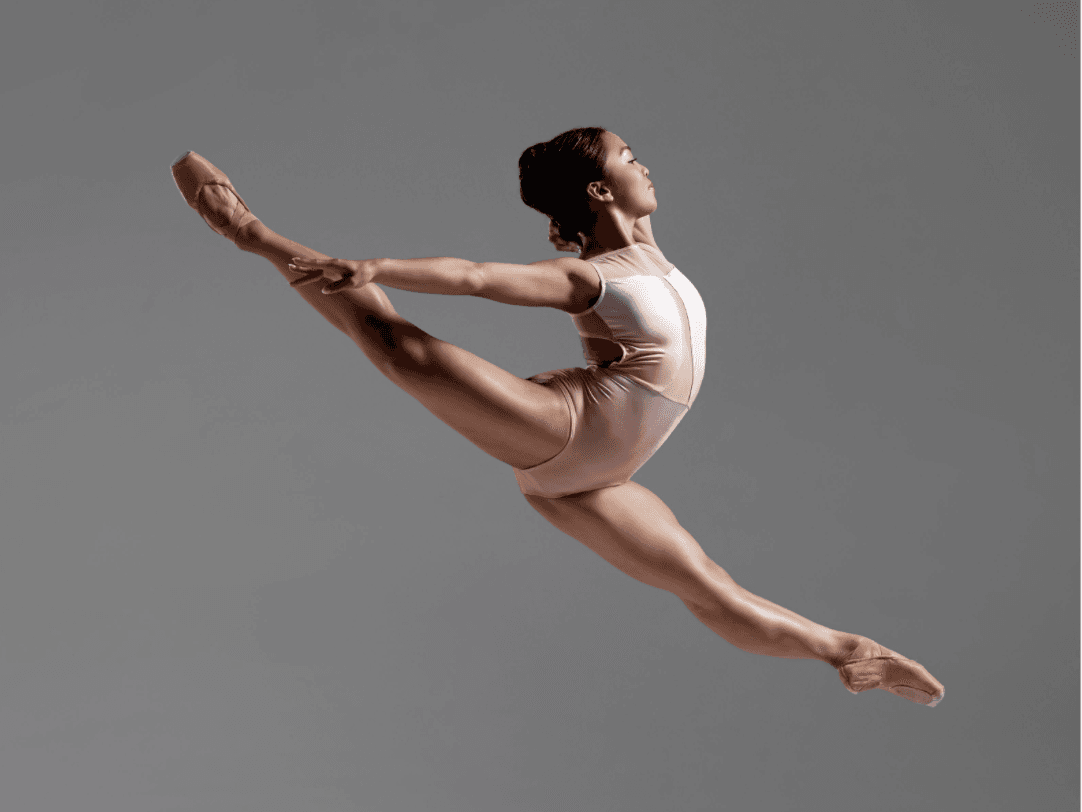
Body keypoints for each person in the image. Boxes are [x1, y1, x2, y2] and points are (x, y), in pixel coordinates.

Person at [169, 127, 945, 706]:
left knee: (709, 589)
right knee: (399, 347)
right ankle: (252, 233)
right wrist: (378, 269)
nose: (645, 164)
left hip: (594, 480)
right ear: (603, 190)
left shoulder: (654, 263)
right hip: (569, 425)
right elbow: (476, 277)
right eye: (628, 157)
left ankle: (843, 649)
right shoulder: (590, 277)